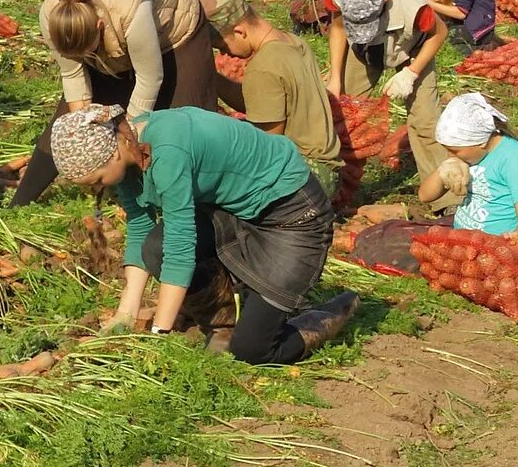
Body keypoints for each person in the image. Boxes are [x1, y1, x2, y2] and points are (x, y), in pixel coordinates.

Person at [46, 107, 357, 364]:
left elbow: (182, 244)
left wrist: (159, 334)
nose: (97, 188)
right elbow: (141, 228)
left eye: (97, 179)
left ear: (112, 153)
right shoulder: (129, 154)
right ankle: (223, 326)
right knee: (156, 247)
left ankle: (331, 313)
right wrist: (125, 314)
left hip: (291, 212)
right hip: (233, 210)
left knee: (253, 352)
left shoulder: (167, 150)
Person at [8, 0, 220, 205]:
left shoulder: (131, 11)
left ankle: (198, 203)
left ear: (99, 27)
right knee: (69, 116)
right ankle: (20, 202)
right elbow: (73, 77)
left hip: (176, 31)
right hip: (109, 29)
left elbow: (150, 77)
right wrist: (84, 133)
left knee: (182, 119)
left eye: (91, 51)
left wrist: (128, 130)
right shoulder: (52, 19)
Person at [211, 0, 342, 194]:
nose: (225, 55)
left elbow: (267, 149)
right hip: (327, 170)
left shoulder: (263, 67)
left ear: (240, 31)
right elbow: (262, 104)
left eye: (224, 47)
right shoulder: (293, 42)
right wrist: (214, 79)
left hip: (303, 177)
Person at [323, 0, 446, 177]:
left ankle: (444, 197)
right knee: (344, 112)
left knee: (425, 120)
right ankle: (338, 186)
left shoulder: (413, 7)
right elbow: (339, 26)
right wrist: (335, 78)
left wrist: (411, 73)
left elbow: (440, 32)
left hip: (412, 46)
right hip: (363, 49)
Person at [420, 92, 518, 241]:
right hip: (464, 241)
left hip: (495, 248)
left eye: (454, 151)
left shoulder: (515, 159)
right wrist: (445, 168)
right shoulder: (467, 154)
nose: (451, 155)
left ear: (481, 142)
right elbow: (425, 196)